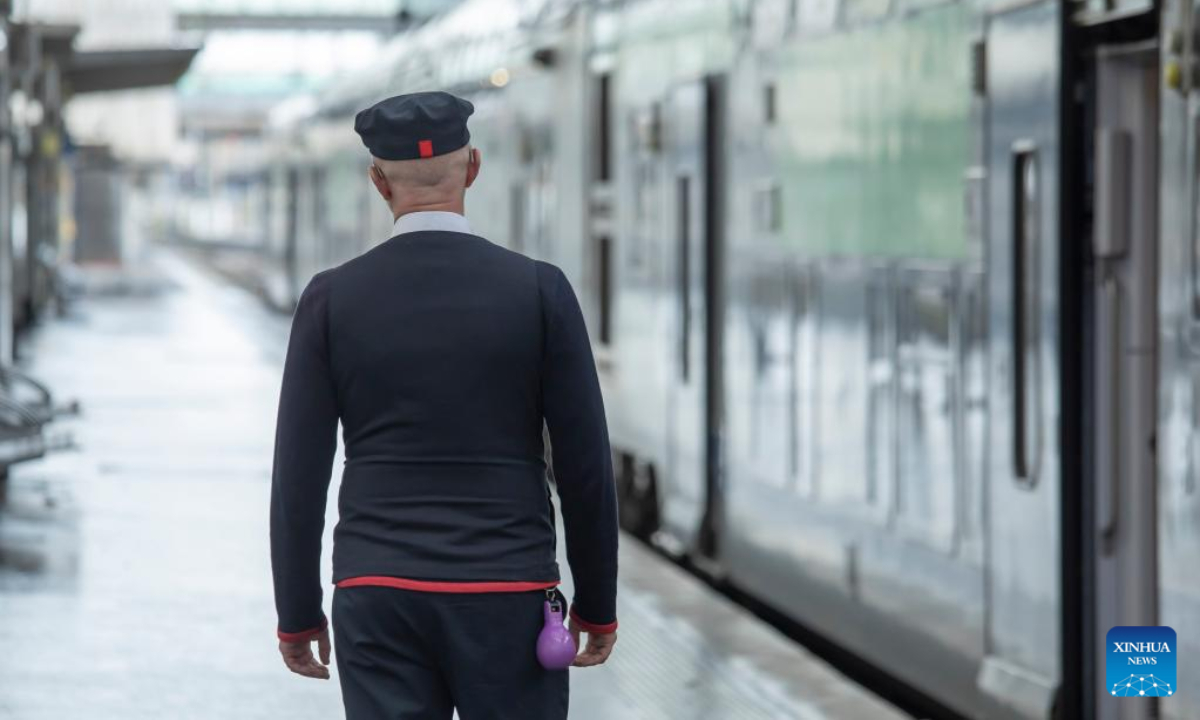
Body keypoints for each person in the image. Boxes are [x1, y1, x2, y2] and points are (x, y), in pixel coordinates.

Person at [269, 91, 619, 719]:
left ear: (378, 181)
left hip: (376, 592)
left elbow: (298, 475)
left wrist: (297, 614)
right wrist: (597, 601)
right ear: (475, 168)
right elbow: (585, 465)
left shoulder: (330, 301)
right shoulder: (542, 293)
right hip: (509, 591)